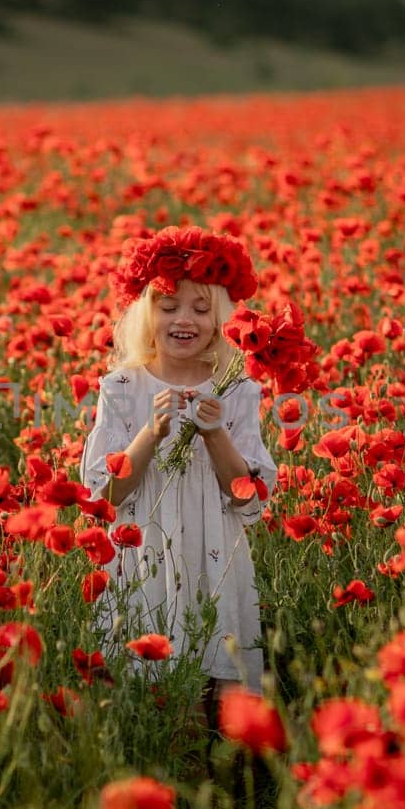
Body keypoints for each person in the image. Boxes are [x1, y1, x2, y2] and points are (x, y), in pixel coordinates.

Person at [78, 227, 277, 701]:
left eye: (200, 309)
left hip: (215, 555)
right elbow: (106, 496)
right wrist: (151, 433)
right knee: (164, 693)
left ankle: (233, 771)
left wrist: (215, 434)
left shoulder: (238, 389)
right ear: (148, 317)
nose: (183, 319)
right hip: (145, 556)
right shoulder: (123, 388)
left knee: (226, 687)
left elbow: (247, 496)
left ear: (220, 321)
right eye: (169, 308)